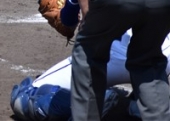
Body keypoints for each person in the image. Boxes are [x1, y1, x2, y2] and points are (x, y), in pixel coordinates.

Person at [10, 30, 170, 120]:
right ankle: (139, 107)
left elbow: (69, 21)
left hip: (106, 57)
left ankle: (102, 101)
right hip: (160, 57)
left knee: (23, 97)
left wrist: (68, 12)